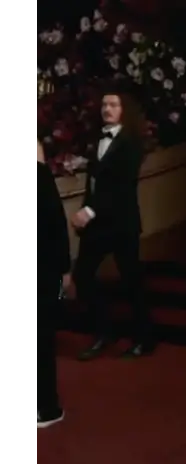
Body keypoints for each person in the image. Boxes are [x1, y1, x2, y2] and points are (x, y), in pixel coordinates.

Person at [71, 89, 154, 360]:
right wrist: (85, 210)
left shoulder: (131, 144)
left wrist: (90, 210)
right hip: (97, 224)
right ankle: (104, 332)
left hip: (122, 223)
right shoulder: (98, 140)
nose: (107, 109)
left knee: (132, 281)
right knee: (82, 276)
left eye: (113, 104)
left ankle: (144, 338)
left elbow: (122, 187)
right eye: (104, 104)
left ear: (123, 110)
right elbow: (93, 183)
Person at [32, 138, 72, 428]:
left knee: (42, 340)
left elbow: (56, 225)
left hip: (42, 272)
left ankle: (48, 407)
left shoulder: (40, 177)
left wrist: (64, 269)